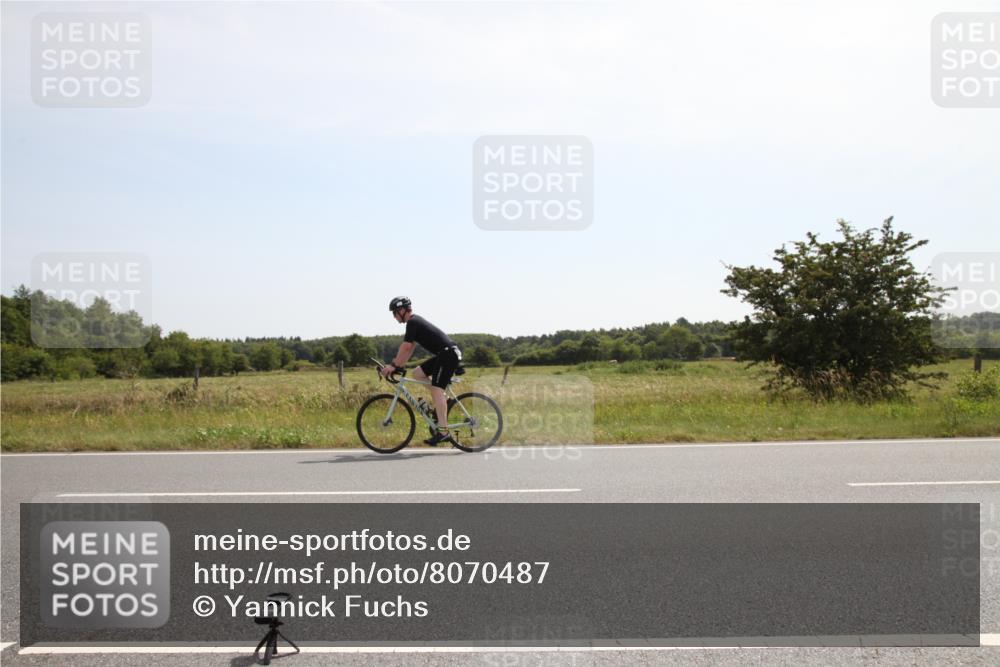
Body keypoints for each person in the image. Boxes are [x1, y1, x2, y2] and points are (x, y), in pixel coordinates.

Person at [382, 297, 462, 445]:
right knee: (417, 373)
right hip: (445, 354)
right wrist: (399, 366)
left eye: (394, 313)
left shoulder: (413, 322)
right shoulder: (414, 323)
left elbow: (405, 347)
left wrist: (393, 366)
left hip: (448, 354)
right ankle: (444, 400)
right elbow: (409, 349)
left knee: (437, 391)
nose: (394, 317)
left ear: (402, 310)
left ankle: (443, 432)